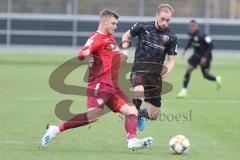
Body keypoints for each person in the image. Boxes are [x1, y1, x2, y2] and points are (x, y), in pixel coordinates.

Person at [40, 9, 153, 151]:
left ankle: (132, 141)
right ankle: (55, 129)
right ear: (104, 22)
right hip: (99, 85)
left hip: (113, 87)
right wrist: (84, 53)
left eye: (116, 24)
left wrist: (124, 53)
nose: (115, 26)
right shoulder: (96, 37)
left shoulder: (110, 38)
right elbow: (83, 52)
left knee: (132, 111)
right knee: (93, 116)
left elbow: (115, 59)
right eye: (113, 23)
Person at [122, 4, 177, 131]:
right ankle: (131, 134)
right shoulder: (142, 27)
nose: (164, 22)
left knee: (154, 114)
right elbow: (126, 36)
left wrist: (169, 68)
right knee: (139, 92)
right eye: (162, 19)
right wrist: (125, 52)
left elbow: (171, 60)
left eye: (167, 20)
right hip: (139, 70)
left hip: (155, 77)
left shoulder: (171, 37)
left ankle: (140, 115)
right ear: (156, 16)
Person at [177, 20, 222, 98]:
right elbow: (190, 42)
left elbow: (211, 45)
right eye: (190, 26)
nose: (191, 27)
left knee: (205, 76)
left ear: (197, 26)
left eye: (193, 26)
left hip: (206, 56)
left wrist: (205, 57)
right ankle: (184, 91)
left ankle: (216, 79)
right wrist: (185, 50)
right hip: (196, 55)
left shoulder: (203, 35)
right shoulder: (191, 35)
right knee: (188, 69)